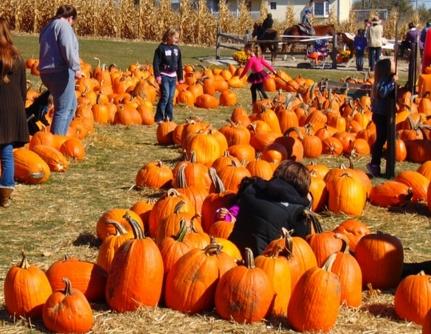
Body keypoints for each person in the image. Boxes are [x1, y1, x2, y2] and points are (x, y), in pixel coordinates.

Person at [228, 160, 314, 256]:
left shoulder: (252, 188)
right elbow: (302, 246)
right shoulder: (297, 211)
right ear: (302, 188)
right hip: (264, 261)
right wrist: (308, 208)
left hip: (232, 252)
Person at [39, 5, 82, 135]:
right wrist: (76, 68)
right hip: (60, 72)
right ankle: (56, 141)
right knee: (62, 110)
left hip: (46, 71)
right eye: (73, 23)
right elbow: (67, 48)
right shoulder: (63, 26)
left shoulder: (48, 27)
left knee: (71, 106)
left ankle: (61, 136)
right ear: (70, 18)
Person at [0, 18, 29, 207]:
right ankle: (5, 194)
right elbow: (22, 88)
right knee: (7, 153)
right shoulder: (17, 57)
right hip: (13, 110)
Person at [366, 58, 397, 178]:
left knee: (383, 138)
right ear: (387, 69)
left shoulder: (385, 78)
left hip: (383, 114)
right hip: (380, 115)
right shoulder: (384, 80)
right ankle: (374, 164)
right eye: (393, 64)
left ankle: (378, 161)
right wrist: (392, 83)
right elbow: (383, 92)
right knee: (380, 139)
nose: (395, 65)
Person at [153, 28, 183, 122]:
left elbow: (179, 64)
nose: (177, 40)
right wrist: (158, 76)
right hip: (164, 76)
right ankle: (159, 117)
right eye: (175, 37)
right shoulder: (161, 48)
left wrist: (180, 77)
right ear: (169, 37)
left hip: (173, 77)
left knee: (170, 98)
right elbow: (156, 63)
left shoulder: (176, 49)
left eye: (177, 38)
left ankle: (168, 117)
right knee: (165, 96)